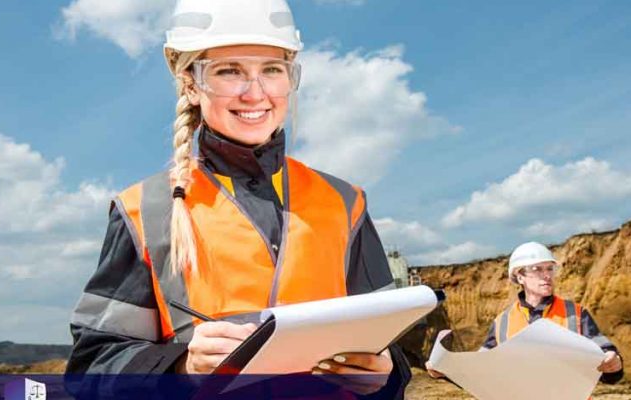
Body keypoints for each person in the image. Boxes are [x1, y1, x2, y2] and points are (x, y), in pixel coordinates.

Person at [64, 0, 410, 398]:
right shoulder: (145, 210)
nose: (255, 93)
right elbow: (92, 367)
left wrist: (383, 375)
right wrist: (182, 367)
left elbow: (390, 349)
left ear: (290, 78)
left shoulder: (344, 203)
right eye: (229, 72)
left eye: (272, 71)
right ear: (190, 84)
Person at [427, 241, 624, 384]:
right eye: (537, 269)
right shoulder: (502, 323)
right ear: (519, 277)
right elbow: (481, 373)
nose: (546, 275)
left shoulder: (575, 314)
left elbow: (606, 356)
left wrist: (614, 363)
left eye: (550, 269)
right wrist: (445, 371)